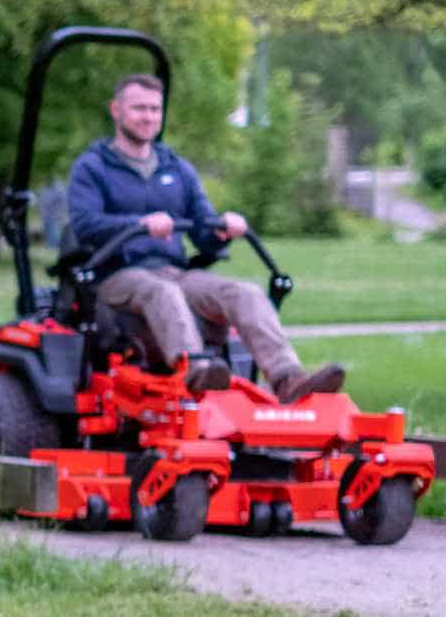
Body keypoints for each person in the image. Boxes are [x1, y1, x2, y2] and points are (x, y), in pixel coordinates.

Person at [63, 73, 346, 403]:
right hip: (113, 275)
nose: (149, 117)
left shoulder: (178, 169)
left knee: (243, 292)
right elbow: (85, 225)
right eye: (139, 108)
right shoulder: (93, 167)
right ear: (116, 110)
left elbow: (204, 234)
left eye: (155, 109)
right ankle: (197, 371)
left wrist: (222, 230)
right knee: (161, 291)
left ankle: (288, 379)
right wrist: (140, 222)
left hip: (173, 270)